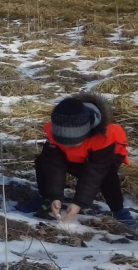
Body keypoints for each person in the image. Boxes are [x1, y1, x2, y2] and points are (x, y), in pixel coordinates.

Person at [25, 93, 137, 229]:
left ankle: (118, 209)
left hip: (103, 161)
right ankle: (46, 199)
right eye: (62, 143)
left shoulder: (103, 137)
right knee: (44, 161)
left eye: (72, 144)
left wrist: (79, 203)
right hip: (75, 158)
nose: (66, 147)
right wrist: (54, 196)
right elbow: (54, 166)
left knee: (107, 175)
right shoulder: (57, 133)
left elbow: (94, 173)